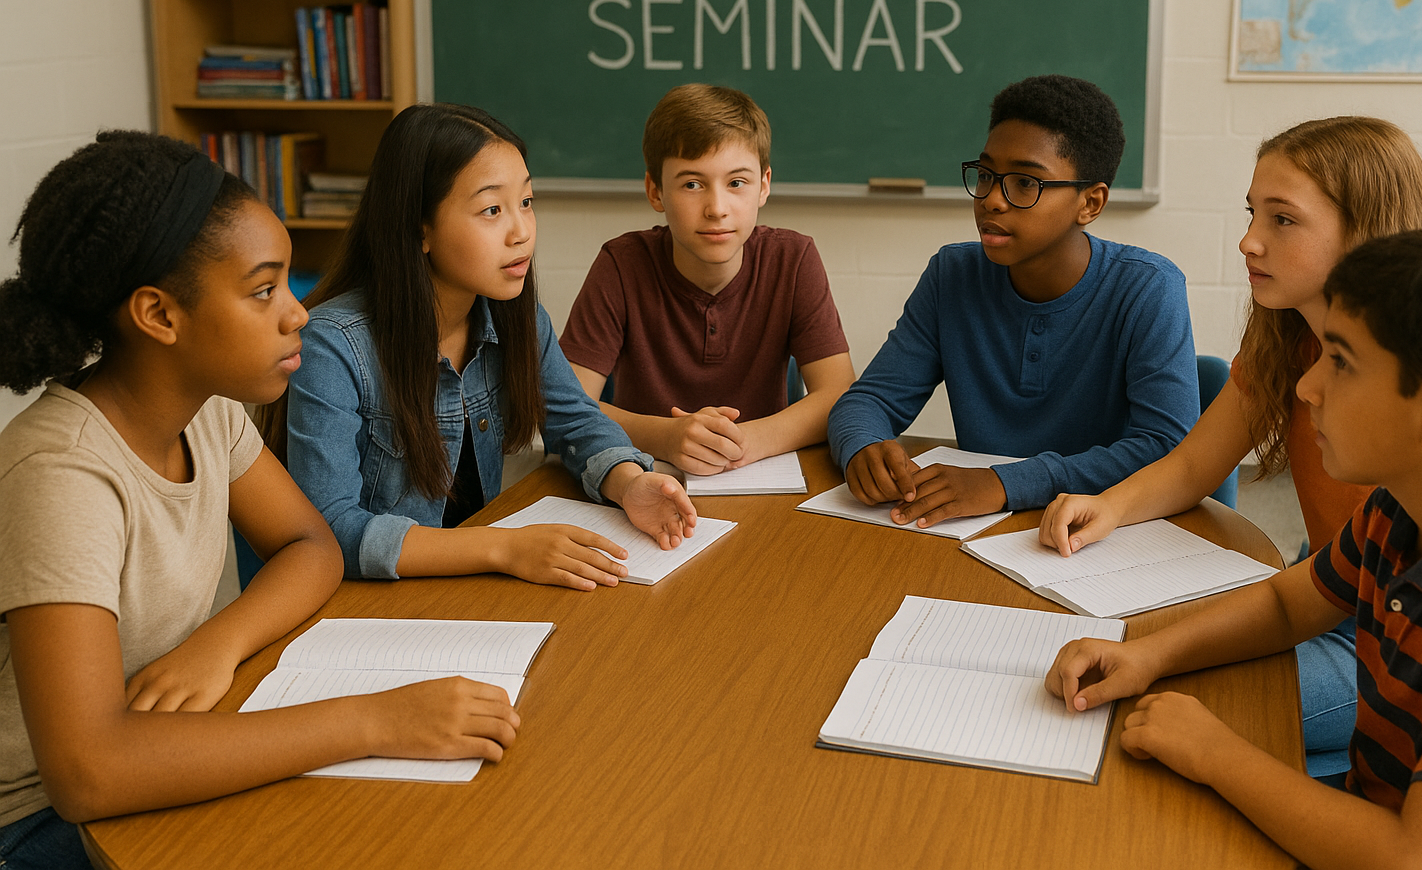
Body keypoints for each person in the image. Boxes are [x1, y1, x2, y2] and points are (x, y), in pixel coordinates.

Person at [0, 133, 518, 870]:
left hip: (168, 745)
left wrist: (218, 644)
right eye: (263, 289)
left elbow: (311, 547)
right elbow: (87, 773)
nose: (298, 313)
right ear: (159, 315)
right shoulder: (62, 472)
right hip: (39, 821)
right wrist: (375, 720)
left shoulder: (200, 407)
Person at [1047, 224, 1422, 870]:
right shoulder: (1403, 503)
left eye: (1340, 361)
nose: (1306, 389)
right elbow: (1287, 606)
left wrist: (1216, 753)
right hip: (1374, 812)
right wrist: (1145, 655)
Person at [1037, 116, 1422, 780]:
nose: (1249, 240)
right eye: (1254, 212)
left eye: (1282, 220)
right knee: (1137, 667)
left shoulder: (1414, 391)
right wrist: (1108, 507)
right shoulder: (1289, 339)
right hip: (1319, 592)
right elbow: (1198, 462)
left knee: (1143, 710)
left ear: (1366, 231)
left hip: (1389, 646)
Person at [279, 103, 696, 589]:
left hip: (472, 585)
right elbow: (330, 531)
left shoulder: (513, 315)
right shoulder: (333, 347)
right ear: (420, 229)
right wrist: (503, 546)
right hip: (373, 605)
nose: (521, 232)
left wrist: (629, 483)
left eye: (526, 202)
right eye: (492, 210)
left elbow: (576, 419)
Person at [827, 73, 1199, 528]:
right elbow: (868, 400)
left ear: (1090, 203)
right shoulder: (953, 275)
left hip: (1100, 535)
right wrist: (863, 445)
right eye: (985, 175)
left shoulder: (1147, 288)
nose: (991, 201)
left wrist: (1005, 483)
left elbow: (1164, 447)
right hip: (972, 530)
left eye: (1025, 183)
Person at [560, 83, 855, 477]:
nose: (717, 209)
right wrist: (666, 436)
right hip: (644, 480)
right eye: (692, 184)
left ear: (764, 185)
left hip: (766, 481)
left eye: (736, 183)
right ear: (655, 190)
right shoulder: (621, 264)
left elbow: (838, 396)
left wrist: (741, 443)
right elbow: (565, 407)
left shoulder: (793, 260)